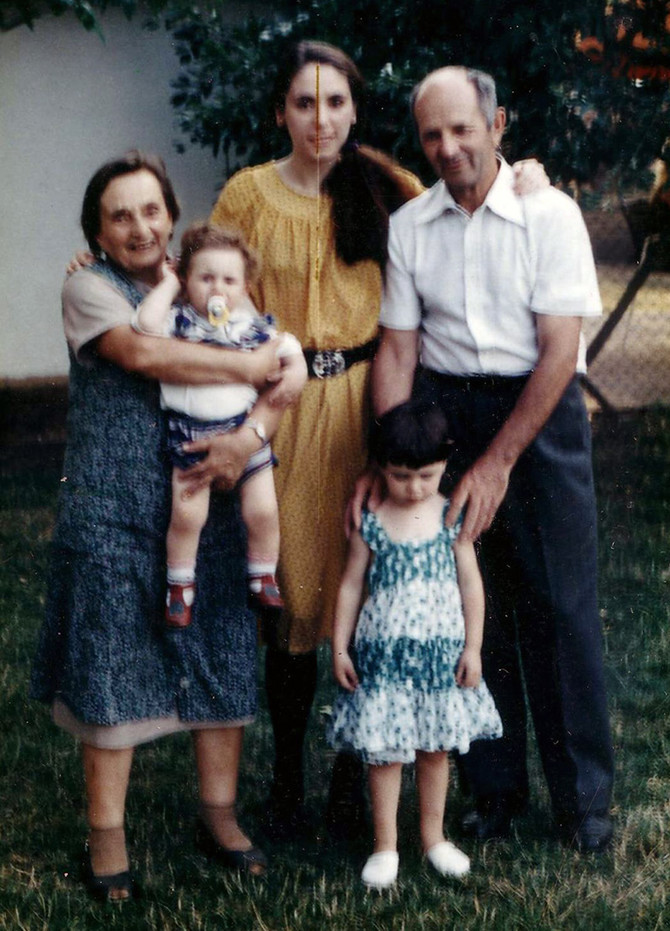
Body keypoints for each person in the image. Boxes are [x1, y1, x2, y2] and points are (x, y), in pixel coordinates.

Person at [210, 39, 545, 839]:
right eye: (303, 103)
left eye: (335, 102)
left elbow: (473, 198)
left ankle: (351, 782)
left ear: (354, 109)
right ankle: (285, 782)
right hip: (286, 407)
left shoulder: (391, 185)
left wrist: (529, 177)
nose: (320, 119)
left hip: (373, 404)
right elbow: (206, 280)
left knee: (371, 588)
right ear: (280, 113)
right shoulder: (249, 194)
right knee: (295, 597)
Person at [367, 66, 615, 853]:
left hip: (539, 412)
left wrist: (501, 461)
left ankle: (584, 801)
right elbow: (398, 349)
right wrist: (394, 463)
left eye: (462, 129)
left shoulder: (551, 216)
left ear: (497, 124)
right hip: (448, 414)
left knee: (561, 607)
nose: (448, 147)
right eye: (432, 134)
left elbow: (560, 350)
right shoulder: (412, 225)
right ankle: (494, 790)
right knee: (471, 610)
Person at [30, 151, 289, 901]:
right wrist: (248, 368)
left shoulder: (212, 279)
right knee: (111, 657)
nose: (139, 227)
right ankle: (107, 833)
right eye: (119, 216)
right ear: (97, 232)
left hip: (206, 498)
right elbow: (140, 354)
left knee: (221, 647)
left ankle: (220, 815)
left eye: (151, 210)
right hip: (113, 507)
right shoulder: (89, 287)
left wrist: (254, 429)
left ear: (172, 216)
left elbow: (287, 372)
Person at [328, 399, 502, 889]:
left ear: (445, 463)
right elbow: (350, 586)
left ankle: (433, 837)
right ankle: (385, 846)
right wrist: (340, 647)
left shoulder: (451, 519)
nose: (414, 487)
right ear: (381, 467)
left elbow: (471, 586)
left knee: (434, 749)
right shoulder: (373, 521)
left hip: (438, 657)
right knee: (385, 753)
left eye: (426, 475)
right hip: (384, 660)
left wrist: (473, 648)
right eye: (400, 476)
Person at [132, 221, 306, 628]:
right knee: (188, 516)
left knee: (263, 510)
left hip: (244, 428)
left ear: (245, 288)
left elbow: (287, 345)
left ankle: (263, 574)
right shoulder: (178, 322)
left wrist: (297, 368)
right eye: (205, 278)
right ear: (187, 280)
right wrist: (170, 283)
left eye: (230, 280)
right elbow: (144, 325)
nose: (218, 289)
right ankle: (180, 586)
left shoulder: (250, 327)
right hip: (191, 435)